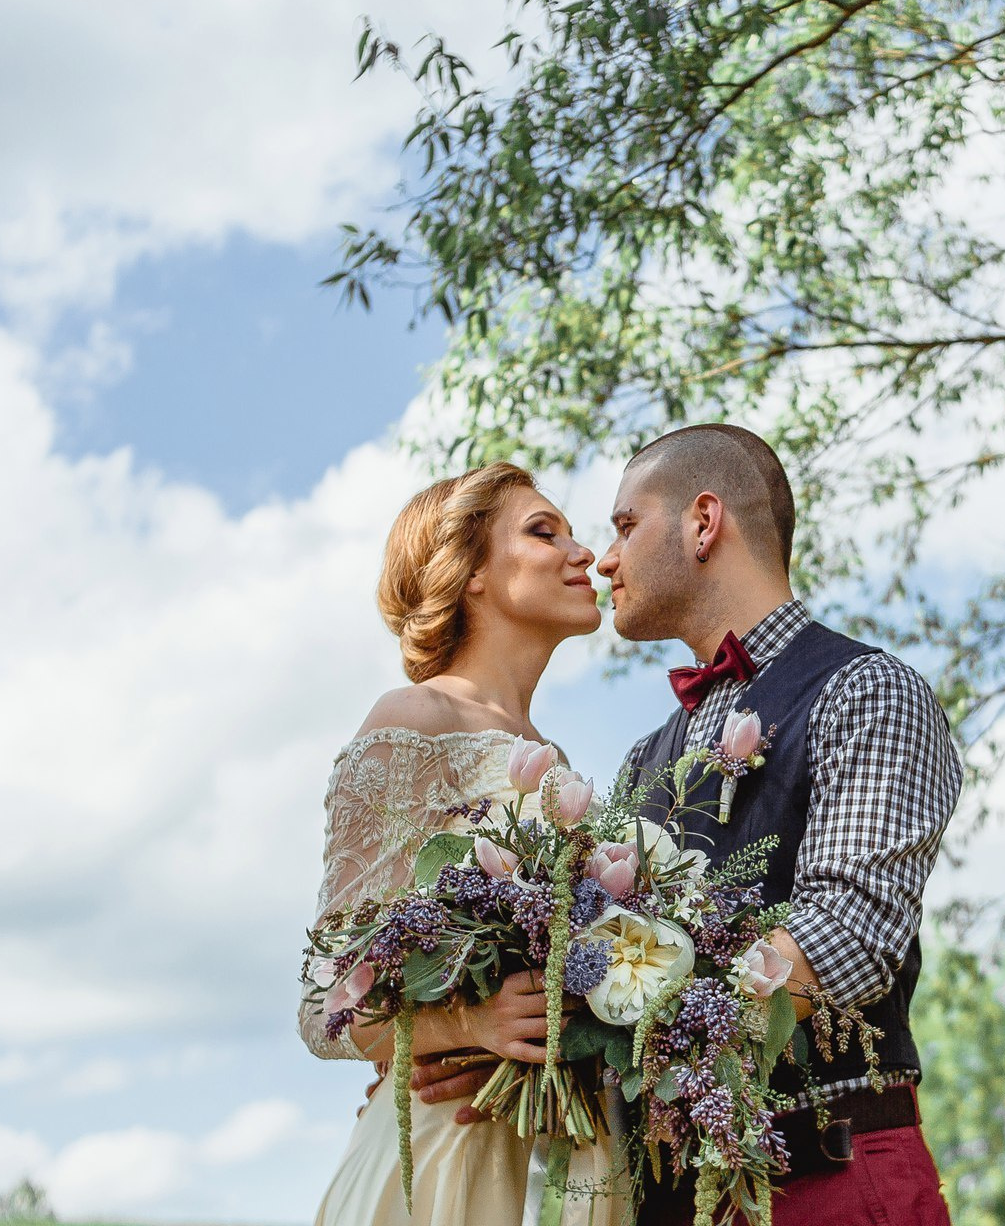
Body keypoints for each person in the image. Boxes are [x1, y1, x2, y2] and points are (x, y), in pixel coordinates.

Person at [412, 425, 961, 1226]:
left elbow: (847, 934)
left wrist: (592, 1014)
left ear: (704, 523)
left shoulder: (867, 691)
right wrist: (490, 1045)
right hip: (667, 1199)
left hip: (827, 1178)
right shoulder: (643, 759)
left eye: (625, 525)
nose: (603, 559)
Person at [302, 462, 624, 1226]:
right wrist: (467, 1025)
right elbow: (321, 1002)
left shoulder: (555, 759)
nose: (584, 552)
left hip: (562, 1155)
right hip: (442, 1164)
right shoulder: (415, 718)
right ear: (471, 572)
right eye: (544, 532)